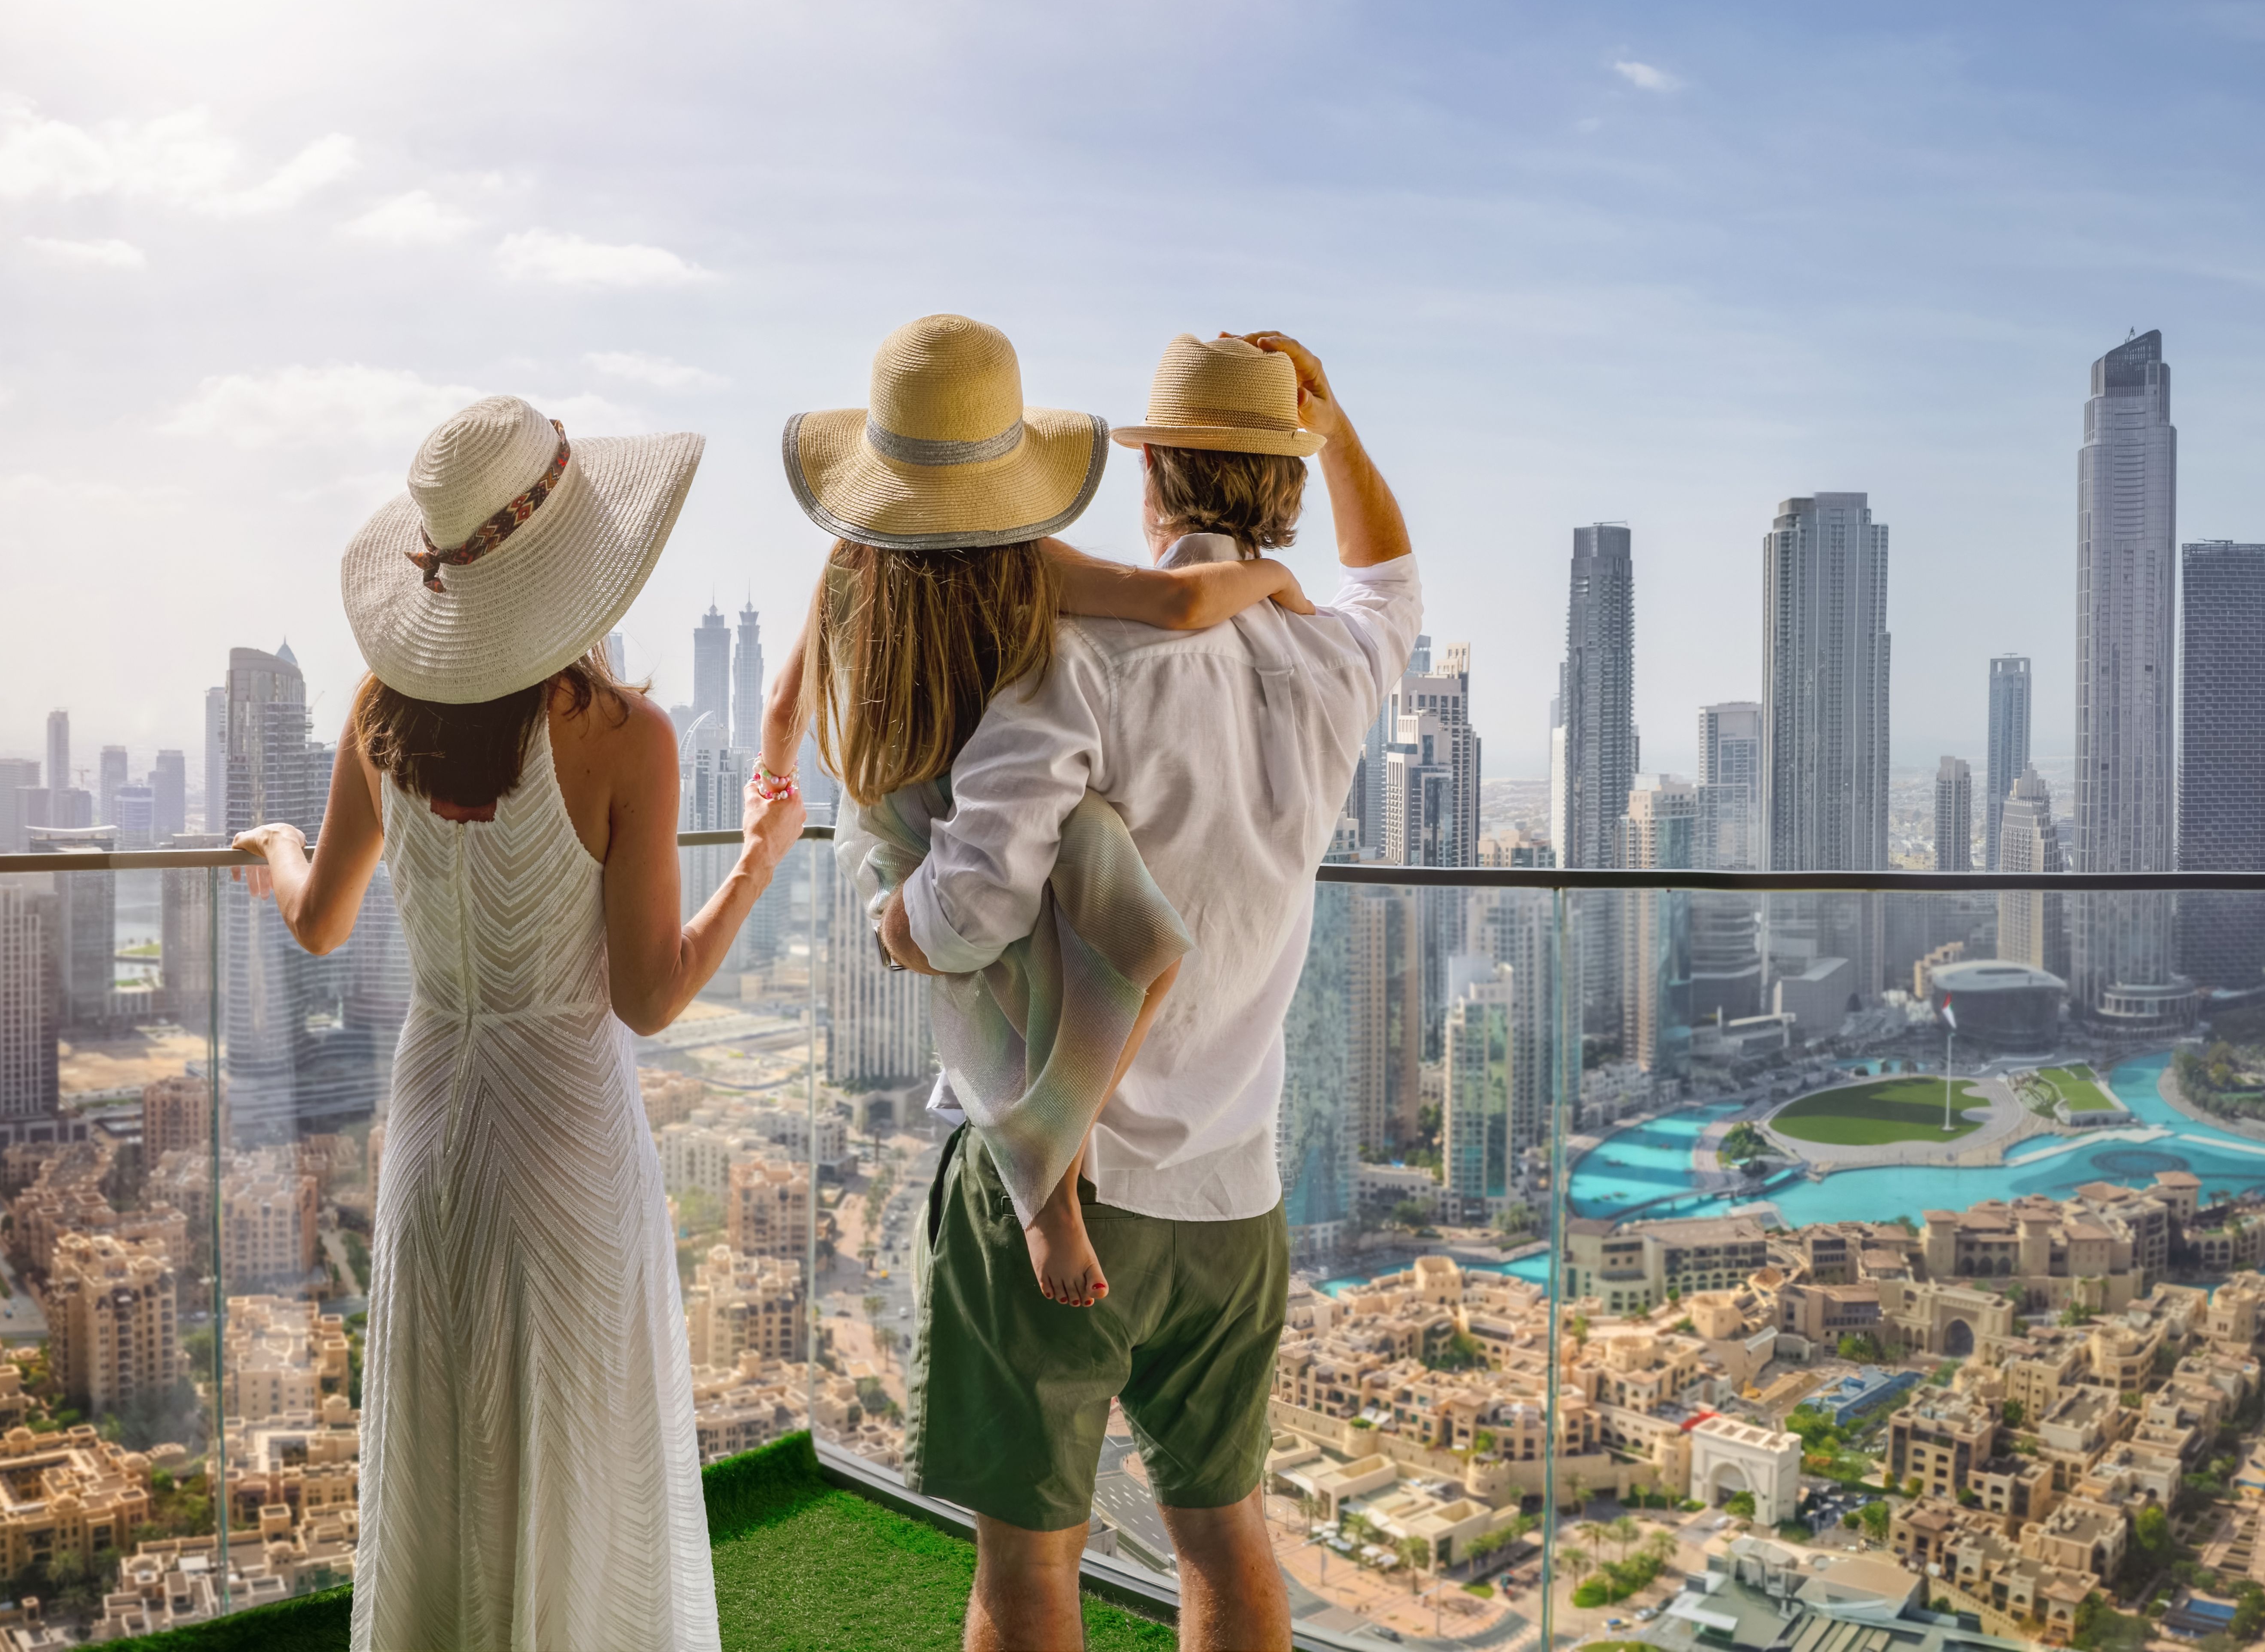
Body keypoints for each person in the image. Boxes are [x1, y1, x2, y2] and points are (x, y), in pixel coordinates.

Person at [231, 395, 801, 1652]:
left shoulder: (381, 714)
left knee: (447, 1458)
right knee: (578, 1457)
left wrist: (280, 849)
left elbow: (319, 921)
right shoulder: (627, 740)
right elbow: (648, 997)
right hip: (569, 1140)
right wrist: (756, 867)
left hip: (436, 1132)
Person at [879, 329, 1418, 1651]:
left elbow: (972, 910)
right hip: (1234, 1194)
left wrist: (897, 921)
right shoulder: (1334, 665)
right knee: (1227, 1544)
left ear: (1152, 478)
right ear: (1282, 489)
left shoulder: (1080, 653)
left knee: (1026, 1574)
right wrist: (1330, 425)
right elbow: (1389, 579)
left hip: (1067, 1183)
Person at [768, 312, 1313, 1311]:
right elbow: (1183, 607)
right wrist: (1274, 574)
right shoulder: (1029, 565)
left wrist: (770, 801)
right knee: (1143, 946)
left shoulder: (851, 563)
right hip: (953, 827)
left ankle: (1041, 1156)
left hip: (896, 826)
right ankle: (1047, 1181)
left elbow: (781, 705)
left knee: (1038, 954)